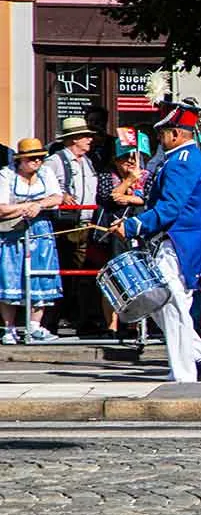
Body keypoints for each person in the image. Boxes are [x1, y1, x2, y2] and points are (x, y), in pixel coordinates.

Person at [109, 91, 201, 383]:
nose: (159, 139)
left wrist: (132, 227)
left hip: (182, 240)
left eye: (161, 134)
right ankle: (196, 354)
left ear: (174, 134)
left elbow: (170, 207)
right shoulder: (184, 157)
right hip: (184, 238)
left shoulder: (181, 160)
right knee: (164, 302)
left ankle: (184, 374)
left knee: (171, 304)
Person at [0, 139, 64, 344]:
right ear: (21, 160)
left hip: (40, 230)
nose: (37, 161)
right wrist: (26, 207)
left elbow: (57, 197)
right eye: (32, 158)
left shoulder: (46, 173)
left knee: (40, 273)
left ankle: (35, 326)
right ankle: (9, 328)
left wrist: (39, 205)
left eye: (39, 158)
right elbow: (2, 208)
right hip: (12, 232)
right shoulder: (6, 175)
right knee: (10, 276)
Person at [45, 116, 103, 335]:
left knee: (82, 275)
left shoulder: (87, 161)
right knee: (66, 273)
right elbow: (45, 189)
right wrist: (61, 195)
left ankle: (79, 319)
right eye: (85, 136)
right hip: (67, 226)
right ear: (74, 139)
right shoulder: (55, 161)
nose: (90, 139)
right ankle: (53, 320)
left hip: (87, 224)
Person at [94, 128, 155, 337]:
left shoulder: (148, 176)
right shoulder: (106, 176)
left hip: (140, 231)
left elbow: (151, 199)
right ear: (115, 159)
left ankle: (137, 325)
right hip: (114, 233)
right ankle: (112, 326)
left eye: (133, 157)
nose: (129, 162)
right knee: (114, 277)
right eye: (124, 158)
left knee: (140, 277)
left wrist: (130, 197)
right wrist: (128, 181)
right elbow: (107, 197)